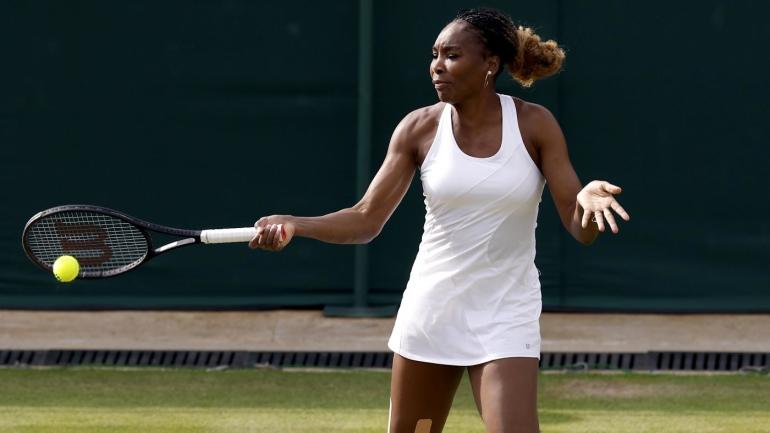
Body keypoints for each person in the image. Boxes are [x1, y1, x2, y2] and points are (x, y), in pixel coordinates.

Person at [249, 7, 630, 433]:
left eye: (451, 55)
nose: (436, 66)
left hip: (506, 311)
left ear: (490, 64)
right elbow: (365, 219)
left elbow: (579, 228)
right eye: (434, 54)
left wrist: (589, 203)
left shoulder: (534, 124)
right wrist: (297, 224)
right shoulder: (418, 128)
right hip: (432, 310)